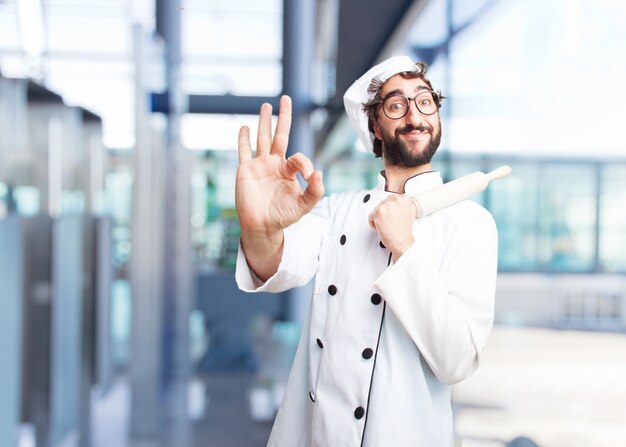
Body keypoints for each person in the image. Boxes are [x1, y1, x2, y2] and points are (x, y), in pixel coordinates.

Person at [235, 55, 498, 447]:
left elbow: (457, 360)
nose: (414, 115)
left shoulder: (470, 223)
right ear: (375, 125)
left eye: (424, 100)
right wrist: (259, 230)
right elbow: (277, 265)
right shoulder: (337, 209)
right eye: (396, 105)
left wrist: (404, 246)